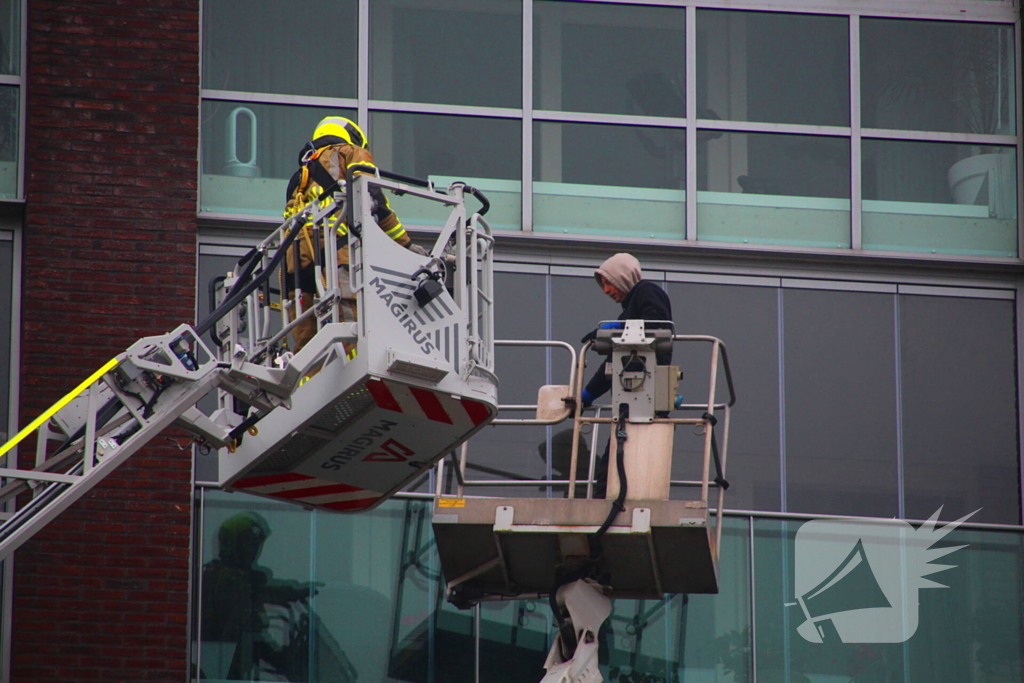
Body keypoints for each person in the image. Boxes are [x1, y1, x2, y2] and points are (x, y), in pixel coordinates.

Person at [281, 115, 415, 352]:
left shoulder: (299, 176)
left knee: (306, 336)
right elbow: (372, 196)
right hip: (334, 247)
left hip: (295, 258)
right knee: (347, 319)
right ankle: (351, 359)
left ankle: (310, 378)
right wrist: (405, 246)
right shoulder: (348, 152)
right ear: (354, 137)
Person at [578, 253, 673, 496]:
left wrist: (618, 327)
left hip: (646, 402)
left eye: (608, 282)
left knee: (616, 470)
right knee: (610, 470)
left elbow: (656, 325)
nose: (606, 290)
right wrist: (587, 394)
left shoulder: (647, 292)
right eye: (603, 285)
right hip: (631, 403)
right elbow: (613, 364)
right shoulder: (627, 311)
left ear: (622, 277)